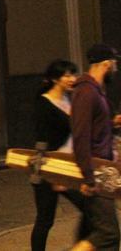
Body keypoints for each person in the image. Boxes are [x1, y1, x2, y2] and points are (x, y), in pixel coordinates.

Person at [70, 43, 121, 251]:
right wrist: (88, 177)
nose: (116, 68)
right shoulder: (86, 92)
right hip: (96, 171)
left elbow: (94, 127)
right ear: (106, 64)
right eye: (115, 63)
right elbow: (81, 136)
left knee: (103, 236)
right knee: (107, 234)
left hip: (102, 169)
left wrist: (111, 123)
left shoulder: (95, 91)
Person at [30, 59, 84, 251]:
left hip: (69, 166)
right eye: (67, 75)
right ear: (55, 78)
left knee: (89, 208)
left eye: (74, 74)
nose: (72, 79)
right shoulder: (44, 104)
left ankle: (84, 245)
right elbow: (41, 140)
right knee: (45, 220)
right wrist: (49, 175)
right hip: (49, 168)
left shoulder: (68, 100)